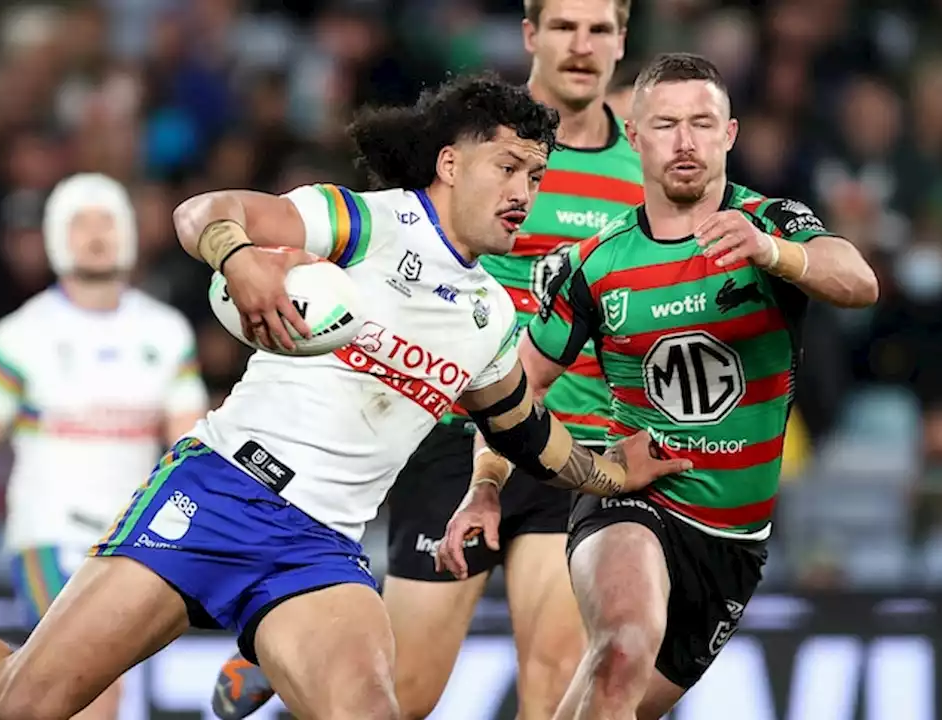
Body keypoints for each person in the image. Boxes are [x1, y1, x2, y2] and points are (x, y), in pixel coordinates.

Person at [0, 73, 689, 720]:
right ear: (450, 165)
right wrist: (240, 257)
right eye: (510, 168)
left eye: (537, 174)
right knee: (29, 702)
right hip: (217, 495)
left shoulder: (491, 314)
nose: (526, 190)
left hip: (319, 550)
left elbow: (525, 432)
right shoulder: (361, 223)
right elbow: (204, 211)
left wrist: (612, 473)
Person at [214, 3, 642, 717]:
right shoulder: (484, 138)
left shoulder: (641, 169)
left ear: (623, 40)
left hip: (568, 437)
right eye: (564, 26)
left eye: (600, 29)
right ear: (530, 34)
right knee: (406, 695)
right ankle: (287, 644)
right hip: (454, 431)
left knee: (557, 681)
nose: (582, 45)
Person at [437, 53, 879, 720]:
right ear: (636, 136)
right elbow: (518, 386)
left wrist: (773, 255)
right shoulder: (597, 265)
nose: (685, 141)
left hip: (732, 540)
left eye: (702, 123)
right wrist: (485, 488)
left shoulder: (772, 223)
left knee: (615, 702)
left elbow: (856, 280)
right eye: (666, 124)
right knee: (621, 646)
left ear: (729, 135)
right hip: (632, 498)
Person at [0, 172, 209, 720]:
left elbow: (190, 446)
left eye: (107, 220)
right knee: (93, 685)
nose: (96, 234)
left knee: (72, 694)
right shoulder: (20, 337)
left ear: (128, 232)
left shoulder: (167, 332)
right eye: (81, 222)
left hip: (138, 539)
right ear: (56, 237)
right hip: (50, 538)